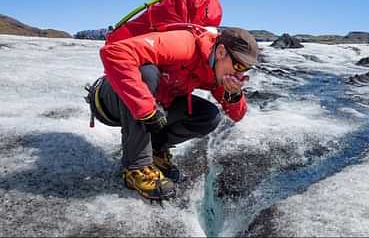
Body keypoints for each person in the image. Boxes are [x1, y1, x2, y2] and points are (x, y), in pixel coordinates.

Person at [85, 27, 258, 200]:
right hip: (109, 99)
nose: (240, 74)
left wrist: (234, 94)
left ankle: (155, 151)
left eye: (246, 69)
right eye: (239, 65)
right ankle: (137, 168)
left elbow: (237, 115)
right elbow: (115, 53)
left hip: (155, 105)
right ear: (221, 52)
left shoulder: (216, 68)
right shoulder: (184, 44)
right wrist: (146, 110)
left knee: (208, 116)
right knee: (147, 73)